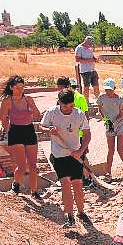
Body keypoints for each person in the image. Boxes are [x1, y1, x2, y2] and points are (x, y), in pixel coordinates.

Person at [39, 89, 93, 228]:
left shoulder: (79, 114)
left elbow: (87, 135)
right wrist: (49, 130)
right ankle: (70, 216)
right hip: (58, 155)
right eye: (66, 107)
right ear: (59, 103)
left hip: (75, 154)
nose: (69, 109)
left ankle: (81, 212)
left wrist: (80, 151)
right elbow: (41, 127)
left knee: (77, 185)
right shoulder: (51, 113)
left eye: (71, 106)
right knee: (65, 184)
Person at [0, 75, 43, 198]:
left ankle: (34, 191)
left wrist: (33, 108)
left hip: (29, 130)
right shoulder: (7, 101)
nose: (21, 90)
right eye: (18, 88)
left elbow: (38, 115)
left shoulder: (28, 99)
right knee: (22, 166)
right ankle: (16, 184)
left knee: (33, 165)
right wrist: (1, 126)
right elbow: (1, 118)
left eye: (22, 87)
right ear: (12, 87)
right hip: (16, 132)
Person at [55, 76, 99, 186]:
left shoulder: (79, 98)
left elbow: (85, 116)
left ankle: (88, 178)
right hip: (67, 134)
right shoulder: (61, 98)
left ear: (66, 87)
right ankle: (71, 178)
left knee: (82, 156)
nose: (59, 90)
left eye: (60, 87)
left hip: (78, 134)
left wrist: (84, 132)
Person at [97, 78, 123, 180]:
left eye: (110, 89)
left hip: (119, 125)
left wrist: (114, 122)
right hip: (109, 126)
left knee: (120, 149)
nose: (108, 92)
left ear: (114, 88)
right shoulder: (101, 98)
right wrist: (105, 119)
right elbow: (100, 109)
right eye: (106, 90)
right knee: (111, 150)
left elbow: (122, 114)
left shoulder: (119, 99)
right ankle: (108, 173)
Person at [74, 35, 98, 104]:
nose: (91, 45)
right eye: (90, 44)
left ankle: (99, 102)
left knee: (96, 86)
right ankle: (86, 103)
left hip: (92, 69)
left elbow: (91, 56)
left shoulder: (90, 48)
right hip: (85, 71)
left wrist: (94, 58)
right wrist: (89, 60)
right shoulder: (79, 48)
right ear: (85, 41)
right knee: (86, 87)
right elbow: (77, 59)